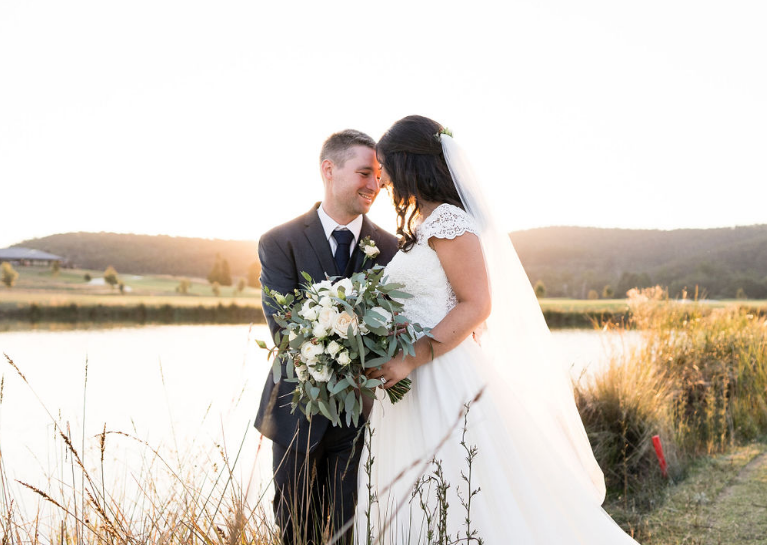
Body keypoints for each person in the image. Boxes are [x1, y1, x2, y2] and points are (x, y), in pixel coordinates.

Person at [355, 115, 640, 544]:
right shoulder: (425, 225)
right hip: (408, 380)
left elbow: (477, 304)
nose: (386, 182)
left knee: (464, 490)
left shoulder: (450, 222)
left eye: (387, 169)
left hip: (440, 376)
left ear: (409, 164)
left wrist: (411, 356)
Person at [255, 129, 399, 545]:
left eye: (378, 175)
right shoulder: (279, 242)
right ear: (328, 169)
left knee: (346, 533)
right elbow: (285, 329)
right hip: (294, 413)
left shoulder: (390, 249)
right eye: (364, 173)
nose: (374, 185)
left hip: (362, 418)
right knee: (296, 532)